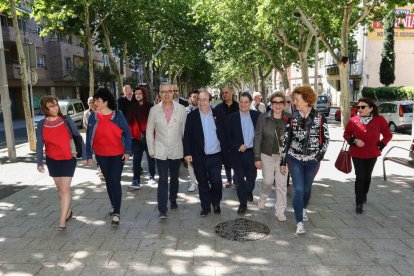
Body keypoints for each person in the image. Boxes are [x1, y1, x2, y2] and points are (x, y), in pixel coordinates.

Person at [280, 86, 329, 235]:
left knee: (307, 190)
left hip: (312, 160)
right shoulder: (293, 118)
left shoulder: (320, 118)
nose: (294, 102)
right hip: (294, 158)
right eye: (293, 99)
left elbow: (326, 140)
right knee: (298, 189)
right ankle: (299, 221)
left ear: (307, 101)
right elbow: (286, 141)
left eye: (297, 99)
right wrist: (283, 161)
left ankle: (303, 207)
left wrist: (318, 157)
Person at [36, 96, 85, 231]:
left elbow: (77, 136)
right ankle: (68, 211)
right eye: (51, 106)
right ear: (45, 109)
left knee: (64, 190)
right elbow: (40, 143)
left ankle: (62, 221)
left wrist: (86, 155)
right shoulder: (41, 124)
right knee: (60, 190)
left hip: (69, 158)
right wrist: (39, 161)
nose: (55, 107)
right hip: (52, 160)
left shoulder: (66, 120)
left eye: (55, 105)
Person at [85, 87, 132, 227]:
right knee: (109, 181)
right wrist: (88, 155)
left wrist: (127, 151)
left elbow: (127, 133)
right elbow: (88, 137)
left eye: (97, 101)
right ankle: (113, 204)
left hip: (117, 154)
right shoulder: (93, 116)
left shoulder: (118, 115)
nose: (95, 103)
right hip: (101, 155)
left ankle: (117, 212)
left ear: (105, 102)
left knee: (115, 181)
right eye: (94, 101)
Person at [343, 98, 392, 214]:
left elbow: (388, 135)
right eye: (358, 107)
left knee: (367, 177)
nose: (360, 109)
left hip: (372, 153)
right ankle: (359, 202)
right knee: (360, 176)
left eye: (363, 107)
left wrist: (381, 145)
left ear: (370, 108)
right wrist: (354, 141)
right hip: (356, 153)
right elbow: (346, 135)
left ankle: (364, 193)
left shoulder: (379, 120)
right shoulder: (353, 120)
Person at [147, 83, 187, 219]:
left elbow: (185, 132)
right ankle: (162, 209)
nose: (166, 94)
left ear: (174, 93)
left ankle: (173, 198)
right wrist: (151, 149)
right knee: (163, 179)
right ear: (159, 93)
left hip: (176, 149)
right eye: (163, 92)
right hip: (160, 149)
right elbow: (149, 131)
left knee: (174, 177)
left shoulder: (181, 109)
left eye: (169, 91)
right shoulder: (154, 110)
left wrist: (186, 152)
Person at [184, 91, 223, 216]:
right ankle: (205, 207)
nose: (201, 102)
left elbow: (224, 133)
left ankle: (216, 202)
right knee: (202, 182)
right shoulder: (192, 116)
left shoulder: (217, 114)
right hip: (199, 156)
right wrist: (187, 153)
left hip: (215, 155)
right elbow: (187, 136)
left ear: (210, 101)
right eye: (199, 99)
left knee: (216, 182)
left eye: (204, 99)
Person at [253, 92, 291, 221]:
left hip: (283, 157)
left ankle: (280, 211)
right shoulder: (263, 118)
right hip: (266, 154)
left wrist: (286, 139)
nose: (278, 105)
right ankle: (263, 196)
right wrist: (257, 158)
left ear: (284, 104)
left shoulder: (290, 118)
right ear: (271, 103)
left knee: (281, 184)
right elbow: (257, 138)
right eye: (275, 102)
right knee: (268, 181)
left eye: (281, 102)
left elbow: (295, 138)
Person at [225, 92, 260, 215]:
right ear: (238, 102)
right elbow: (227, 138)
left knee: (251, 179)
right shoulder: (231, 118)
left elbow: (262, 135)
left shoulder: (257, 116)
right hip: (238, 153)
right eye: (241, 102)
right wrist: (238, 146)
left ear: (250, 103)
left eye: (246, 102)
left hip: (252, 153)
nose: (243, 104)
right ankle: (243, 204)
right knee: (239, 181)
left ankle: (248, 191)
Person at [127, 87, 156, 189]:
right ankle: (136, 180)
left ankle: (152, 177)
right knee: (136, 160)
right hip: (137, 138)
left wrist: (155, 137)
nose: (137, 95)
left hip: (149, 138)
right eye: (136, 94)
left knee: (151, 158)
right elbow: (130, 124)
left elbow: (155, 124)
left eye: (140, 93)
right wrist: (131, 137)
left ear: (144, 94)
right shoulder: (132, 107)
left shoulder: (151, 107)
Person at [214, 86, 239, 188]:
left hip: (237, 138)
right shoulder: (218, 108)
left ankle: (236, 178)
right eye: (223, 93)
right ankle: (229, 179)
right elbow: (215, 124)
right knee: (226, 160)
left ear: (232, 92)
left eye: (226, 92)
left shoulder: (238, 106)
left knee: (237, 159)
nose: (224, 94)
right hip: (223, 139)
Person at [185, 90, 200, 192]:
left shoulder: (205, 110)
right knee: (190, 163)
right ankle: (193, 182)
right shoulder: (184, 111)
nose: (196, 99)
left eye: (197, 97)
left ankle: (202, 180)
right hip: (189, 141)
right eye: (194, 97)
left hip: (201, 142)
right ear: (190, 98)